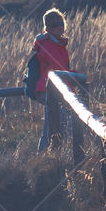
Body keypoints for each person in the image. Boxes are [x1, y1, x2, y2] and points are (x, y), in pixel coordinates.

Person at [32, 8, 77, 151]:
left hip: (53, 88)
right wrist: (75, 76)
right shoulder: (48, 43)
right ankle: (46, 155)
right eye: (53, 24)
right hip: (48, 89)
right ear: (47, 27)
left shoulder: (56, 43)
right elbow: (58, 67)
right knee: (53, 124)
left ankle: (52, 155)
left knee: (57, 123)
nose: (58, 27)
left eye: (61, 24)